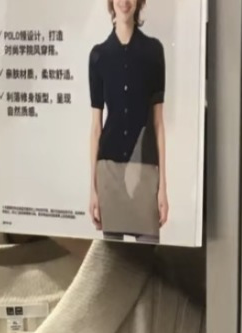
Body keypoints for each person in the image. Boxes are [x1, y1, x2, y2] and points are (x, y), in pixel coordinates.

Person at [89, 0, 169, 243]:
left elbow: (158, 124)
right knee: (113, 261)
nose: (124, 2)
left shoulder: (153, 52)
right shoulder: (99, 56)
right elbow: (96, 128)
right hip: (109, 172)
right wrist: (92, 189)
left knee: (145, 259)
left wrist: (163, 187)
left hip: (144, 171)